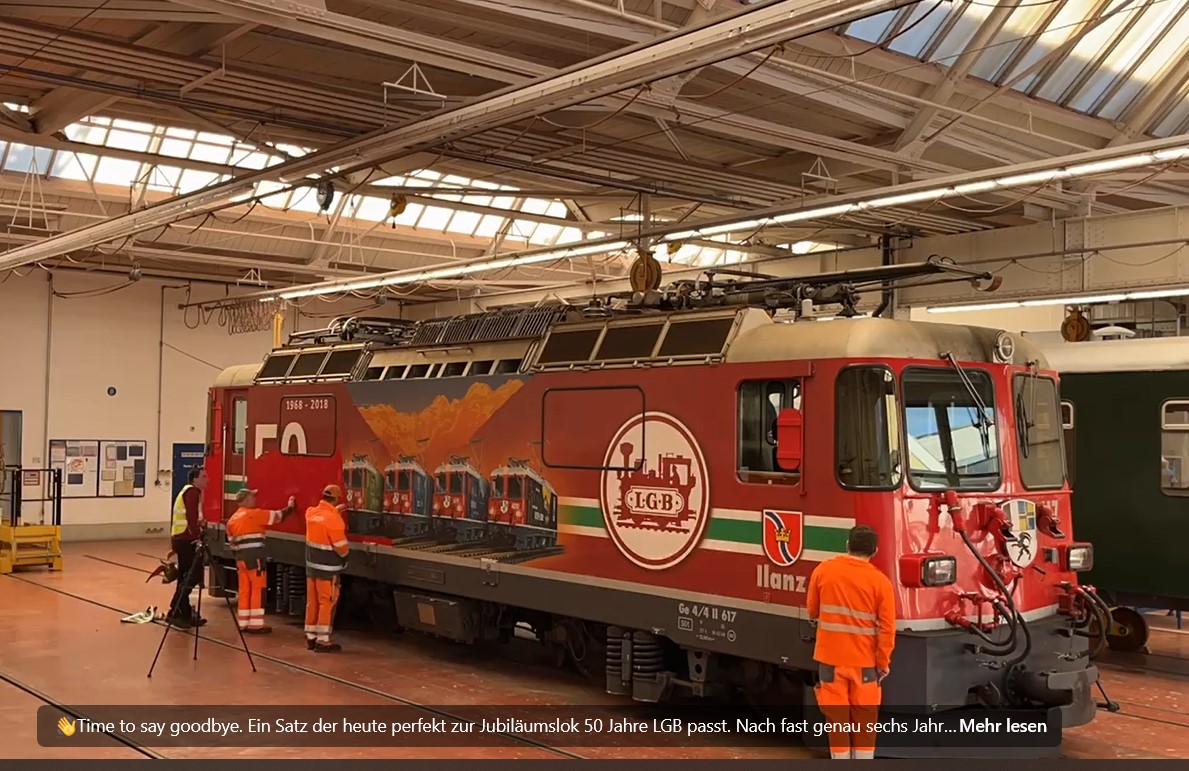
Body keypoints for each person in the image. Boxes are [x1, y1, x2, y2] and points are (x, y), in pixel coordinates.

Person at [806, 524, 896, 760]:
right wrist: (882, 662)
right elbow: (887, 629)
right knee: (865, 718)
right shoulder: (881, 582)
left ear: (848, 545)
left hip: (829, 660)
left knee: (836, 718)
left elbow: (812, 610)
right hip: (865, 663)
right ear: (874, 551)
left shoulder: (823, 571)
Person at [225, 488, 297, 634]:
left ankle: (243, 622)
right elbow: (278, 516)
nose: (255, 500)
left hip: (240, 560)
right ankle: (256, 624)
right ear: (245, 500)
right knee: (257, 589)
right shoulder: (254, 514)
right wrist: (290, 507)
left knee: (244, 590)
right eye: (252, 497)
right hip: (255, 558)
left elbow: (231, 543)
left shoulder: (232, 520)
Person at [304, 484, 349, 653]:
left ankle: (311, 637)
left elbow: (323, 521)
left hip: (312, 569)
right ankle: (323, 641)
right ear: (336, 498)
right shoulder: (334, 520)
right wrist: (346, 558)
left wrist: (334, 511)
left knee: (313, 603)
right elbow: (340, 546)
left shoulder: (310, 513)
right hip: (328, 570)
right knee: (327, 603)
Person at [167, 467, 210, 629]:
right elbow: (190, 517)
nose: (208, 480)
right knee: (192, 575)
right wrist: (196, 537)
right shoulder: (192, 493)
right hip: (186, 539)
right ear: (195, 479)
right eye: (204, 476)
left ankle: (183, 612)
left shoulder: (188, 491)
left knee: (185, 575)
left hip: (181, 538)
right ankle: (175, 608)